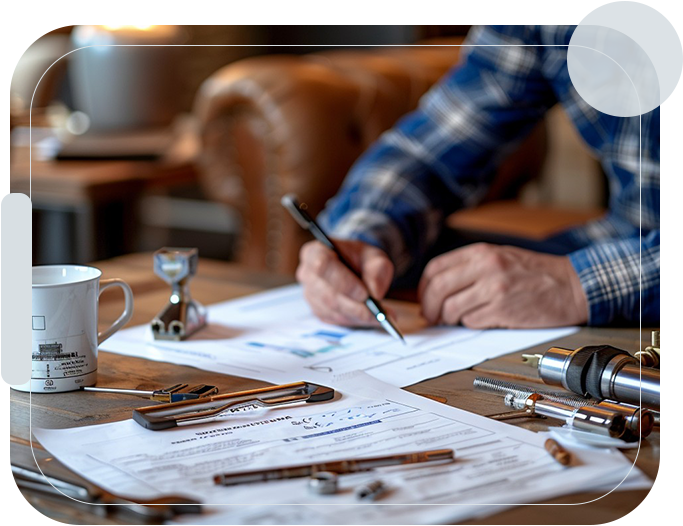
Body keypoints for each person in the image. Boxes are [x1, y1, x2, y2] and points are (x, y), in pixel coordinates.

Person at [295, 25, 659, 330]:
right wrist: (362, 239)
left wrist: (577, 286)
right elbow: (429, 153)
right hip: (629, 239)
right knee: (424, 273)